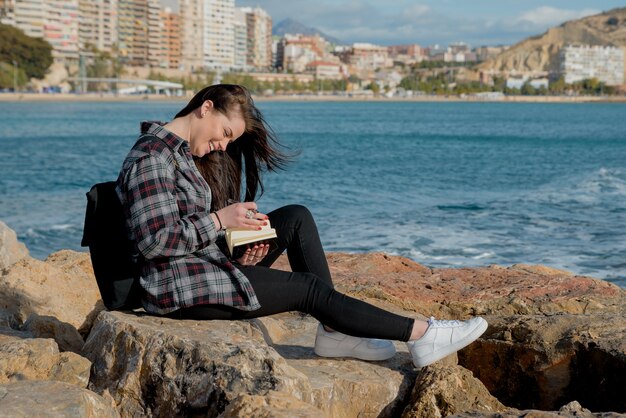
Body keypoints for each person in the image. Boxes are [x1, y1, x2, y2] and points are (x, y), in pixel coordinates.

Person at [115, 84, 487, 368]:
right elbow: (154, 242)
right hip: (174, 287)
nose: (224, 146)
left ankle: (335, 333)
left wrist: (237, 245)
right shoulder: (152, 157)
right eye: (226, 133)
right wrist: (219, 220)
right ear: (205, 108)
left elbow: (185, 229)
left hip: (199, 267)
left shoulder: (180, 153)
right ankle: (421, 334)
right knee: (306, 288)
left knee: (295, 217)